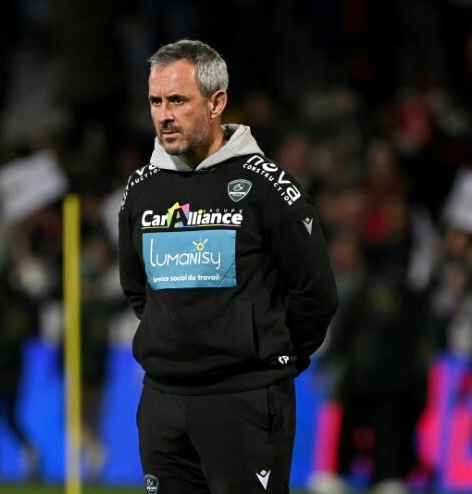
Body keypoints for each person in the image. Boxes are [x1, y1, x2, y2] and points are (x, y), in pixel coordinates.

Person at [118, 39, 338, 493]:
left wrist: (266, 359)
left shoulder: (267, 186)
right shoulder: (141, 189)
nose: (164, 115)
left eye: (178, 100)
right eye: (156, 101)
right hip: (163, 402)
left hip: (246, 401)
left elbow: (315, 293)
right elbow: (139, 290)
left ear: (217, 102)